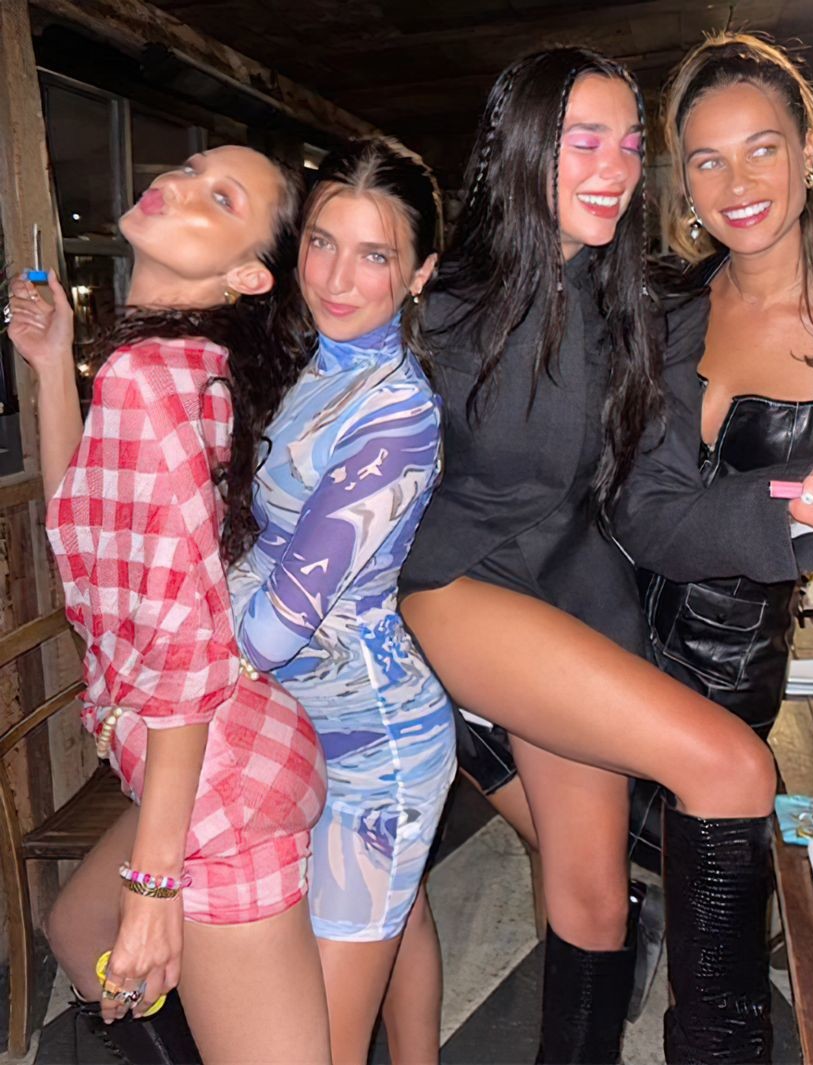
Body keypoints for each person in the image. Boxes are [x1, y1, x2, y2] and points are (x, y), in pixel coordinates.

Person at [393, 46, 813, 1063]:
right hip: (456, 582)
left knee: (593, 901)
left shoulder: (641, 310)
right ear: (524, 147)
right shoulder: (433, 302)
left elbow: (657, 512)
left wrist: (796, 505)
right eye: (584, 141)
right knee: (731, 766)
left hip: (570, 599)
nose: (615, 167)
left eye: (628, 144)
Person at [12, 144, 331, 1062]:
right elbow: (86, 525)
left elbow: (183, 641)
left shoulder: (153, 377)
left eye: (221, 197)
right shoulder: (171, 362)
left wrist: (155, 886)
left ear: (248, 275)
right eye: (191, 168)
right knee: (79, 929)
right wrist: (52, 365)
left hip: (213, 780)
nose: (180, 183)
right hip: (202, 749)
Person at [228, 135, 454, 1064]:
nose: (335, 277)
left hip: (372, 753)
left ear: (420, 274)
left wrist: (171, 642)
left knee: (319, 1040)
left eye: (374, 254)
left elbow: (277, 627)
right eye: (322, 242)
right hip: (311, 726)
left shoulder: (396, 413)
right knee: (399, 923)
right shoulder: (319, 363)